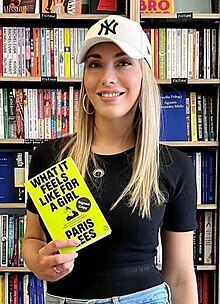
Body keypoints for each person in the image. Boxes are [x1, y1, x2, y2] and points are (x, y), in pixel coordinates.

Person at [22, 15, 198, 304]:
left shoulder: (174, 165)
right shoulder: (49, 156)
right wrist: (38, 262)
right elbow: (32, 240)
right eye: (95, 64)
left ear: (143, 73)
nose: (107, 77)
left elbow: (179, 274)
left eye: (123, 62)